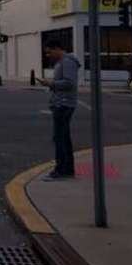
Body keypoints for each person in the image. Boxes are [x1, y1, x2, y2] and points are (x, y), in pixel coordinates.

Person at [37, 40, 81, 180]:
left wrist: (51, 83)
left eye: (50, 51)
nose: (48, 55)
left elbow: (69, 83)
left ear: (57, 48)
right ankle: (66, 169)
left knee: (60, 138)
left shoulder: (67, 62)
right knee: (62, 138)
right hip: (61, 103)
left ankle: (61, 170)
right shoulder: (63, 62)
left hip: (64, 105)